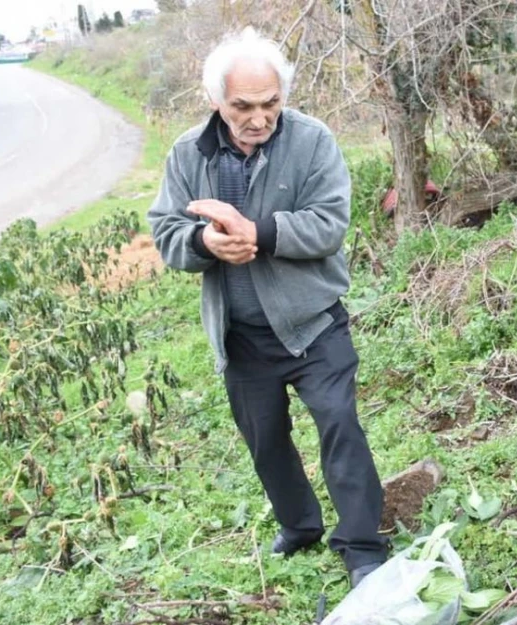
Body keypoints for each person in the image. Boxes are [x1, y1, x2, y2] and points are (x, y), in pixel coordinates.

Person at [147, 27, 387, 588]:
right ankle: (300, 527)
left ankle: (362, 547)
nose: (259, 118)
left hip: (313, 325)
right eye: (243, 106)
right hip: (242, 336)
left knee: (339, 426)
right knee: (266, 439)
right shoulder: (188, 153)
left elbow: (329, 223)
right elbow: (166, 230)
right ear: (215, 101)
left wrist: (258, 232)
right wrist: (204, 243)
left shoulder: (312, 141)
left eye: (271, 103)